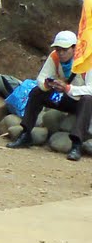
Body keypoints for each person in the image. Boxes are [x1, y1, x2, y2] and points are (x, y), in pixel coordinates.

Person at [7, 29, 92, 160]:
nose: (61, 53)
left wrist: (68, 88)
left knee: (87, 99)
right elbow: (41, 77)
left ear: (74, 48)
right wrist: (47, 85)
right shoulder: (54, 57)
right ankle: (26, 133)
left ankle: (76, 143)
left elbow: (90, 89)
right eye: (58, 49)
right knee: (37, 92)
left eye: (65, 50)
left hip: (81, 101)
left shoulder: (87, 61)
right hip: (65, 97)